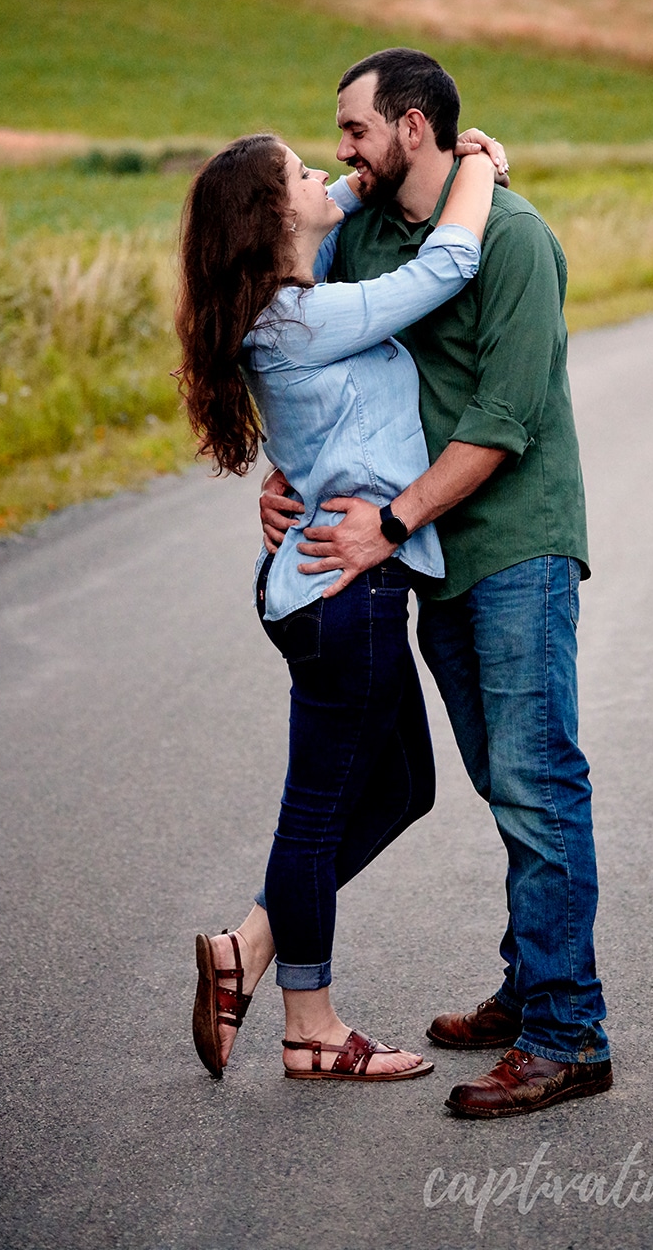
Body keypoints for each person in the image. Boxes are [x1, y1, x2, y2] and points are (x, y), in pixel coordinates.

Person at [260, 47, 612, 1119]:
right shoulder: (365, 235)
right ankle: (529, 984)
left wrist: (390, 523)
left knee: (539, 783)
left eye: (355, 130)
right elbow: (309, 365)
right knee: (502, 782)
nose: (341, 150)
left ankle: (569, 1035)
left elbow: (502, 428)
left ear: (413, 128)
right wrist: (284, 478)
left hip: (510, 548)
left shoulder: (510, 238)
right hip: (431, 559)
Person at [174, 127, 500, 1082]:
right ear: (275, 218)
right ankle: (310, 1029)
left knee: (403, 789)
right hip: (340, 592)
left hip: (331, 585)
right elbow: (446, 262)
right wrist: (479, 164)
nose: (327, 173)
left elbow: (345, 198)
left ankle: (249, 947)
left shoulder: (286, 301)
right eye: (302, 174)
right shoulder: (298, 317)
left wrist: (364, 179)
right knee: (315, 815)